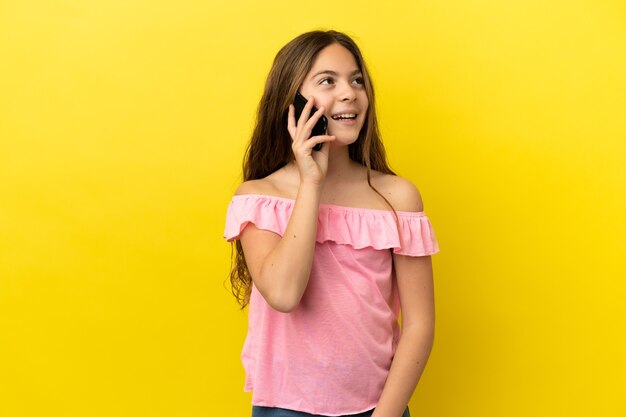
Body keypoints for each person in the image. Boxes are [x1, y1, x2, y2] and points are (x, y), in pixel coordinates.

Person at [223, 29, 440, 417]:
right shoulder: (258, 198)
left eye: (357, 80)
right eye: (328, 81)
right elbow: (285, 294)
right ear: (292, 100)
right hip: (285, 407)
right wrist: (311, 182)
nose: (349, 93)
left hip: (379, 409)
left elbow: (420, 324)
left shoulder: (396, 197)